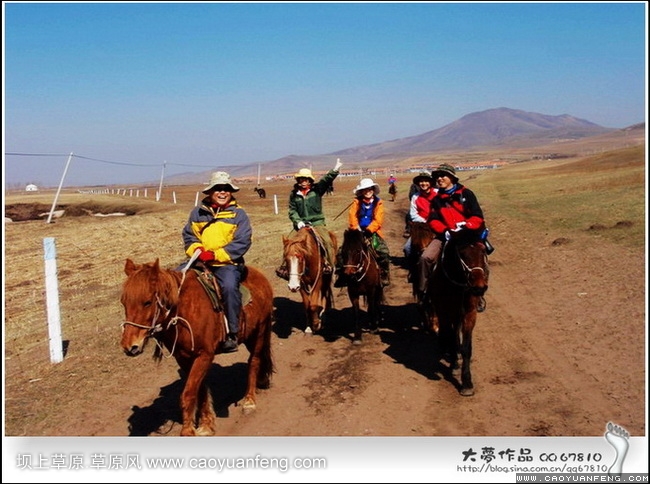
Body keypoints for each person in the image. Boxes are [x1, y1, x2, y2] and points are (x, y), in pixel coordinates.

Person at [182, 171, 252, 353]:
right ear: (210, 192)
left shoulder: (239, 214)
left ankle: (232, 333)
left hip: (227, 264)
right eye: (218, 189)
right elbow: (189, 236)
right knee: (176, 280)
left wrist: (215, 255)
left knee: (229, 288)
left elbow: (242, 241)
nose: (222, 192)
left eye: (226, 189)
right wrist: (198, 250)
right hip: (199, 262)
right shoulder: (197, 213)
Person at [416, 163, 486, 298]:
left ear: (452, 178)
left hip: (468, 235)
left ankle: (479, 291)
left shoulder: (466, 194)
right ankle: (424, 292)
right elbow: (433, 220)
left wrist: (467, 225)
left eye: (443, 176)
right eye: (437, 177)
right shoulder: (436, 200)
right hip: (446, 236)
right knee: (426, 258)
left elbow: (478, 216)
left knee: (479, 258)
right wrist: (445, 231)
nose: (439, 179)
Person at [275, 159, 343, 279]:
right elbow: (292, 210)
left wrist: (335, 169)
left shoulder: (317, 190)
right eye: (301, 179)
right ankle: (285, 267)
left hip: (317, 223)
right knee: (289, 242)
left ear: (310, 180)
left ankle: (330, 266)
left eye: (306, 179)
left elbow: (327, 180)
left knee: (327, 241)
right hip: (301, 224)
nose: (303, 182)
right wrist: (298, 221)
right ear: (298, 180)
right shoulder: (294, 194)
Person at [334, 178, 391, 287]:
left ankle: (384, 274)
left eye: (370, 189)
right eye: (365, 189)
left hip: (373, 232)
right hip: (356, 233)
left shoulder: (378, 203)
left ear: (373, 190)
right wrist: (357, 229)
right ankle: (341, 275)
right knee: (341, 252)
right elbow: (352, 217)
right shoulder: (356, 202)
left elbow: (378, 220)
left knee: (383, 252)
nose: (368, 191)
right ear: (361, 191)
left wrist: (369, 230)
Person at [403, 170, 437, 263]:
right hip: (421, 227)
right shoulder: (415, 197)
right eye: (421, 181)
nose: (424, 183)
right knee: (407, 248)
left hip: (438, 225)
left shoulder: (438, 194)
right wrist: (425, 222)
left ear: (430, 183)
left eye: (426, 181)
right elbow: (413, 214)